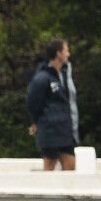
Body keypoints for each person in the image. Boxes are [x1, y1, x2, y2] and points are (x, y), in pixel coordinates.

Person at [25, 38, 79, 171]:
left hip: (65, 130)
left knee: (70, 166)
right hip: (49, 131)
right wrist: (36, 121)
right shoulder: (42, 77)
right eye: (66, 50)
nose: (68, 54)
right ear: (58, 53)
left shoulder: (64, 74)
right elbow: (32, 103)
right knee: (49, 168)